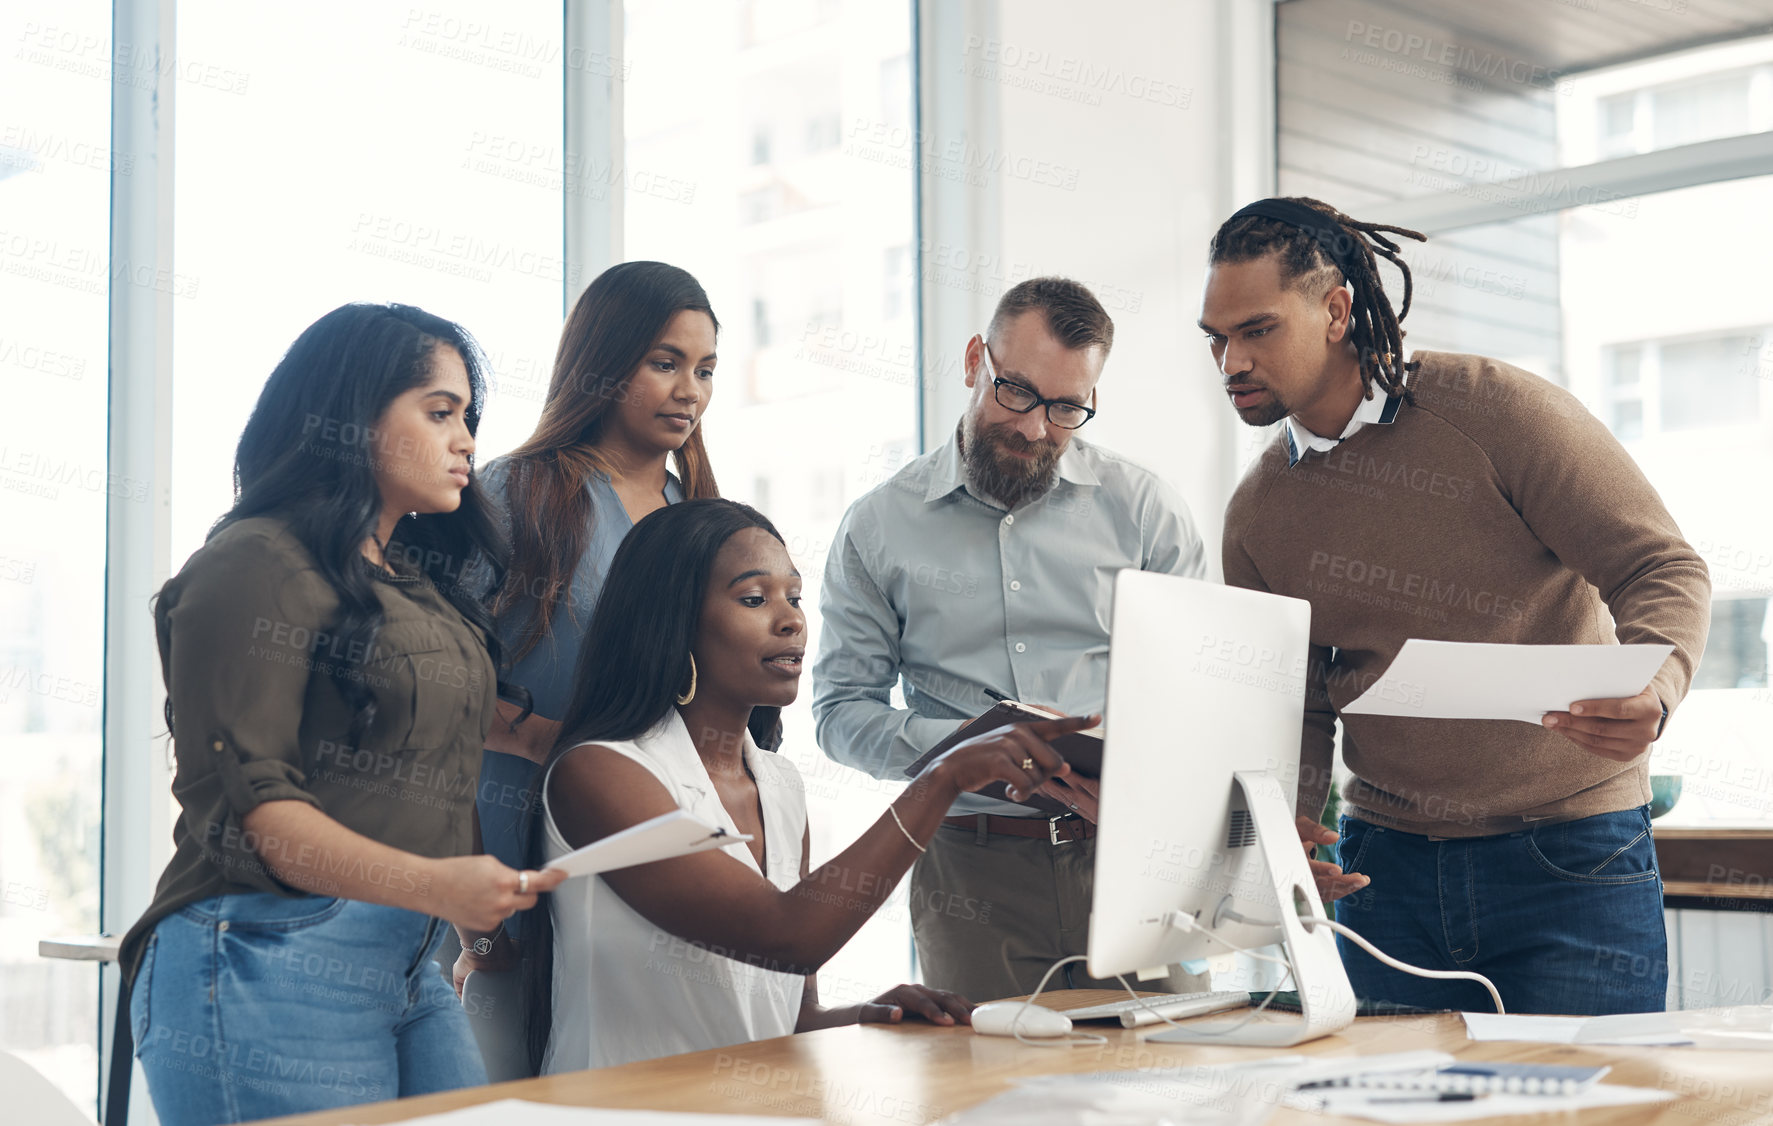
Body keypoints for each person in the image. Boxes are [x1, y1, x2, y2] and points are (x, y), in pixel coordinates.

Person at [1202, 196, 1711, 1014]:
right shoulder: (1256, 513)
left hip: (1570, 855)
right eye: (1216, 338)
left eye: (1255, 330)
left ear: (1335, 312)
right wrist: (1289, 822)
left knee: (1592, 1111)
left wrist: (1656, 687)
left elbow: (1659, 566)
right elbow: (1293, 700)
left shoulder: (1497, 413)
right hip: (1384, 875)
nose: (1230, 360)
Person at [115, 303, 567, 1125]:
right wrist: (441, 886)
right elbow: (264, 821)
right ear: (348, 420)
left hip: (408, 959)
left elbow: (434, 766)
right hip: (262, 949)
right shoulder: (254, 561)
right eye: (438, 413)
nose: (466, 439)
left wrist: (467, 926)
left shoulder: (411, 585)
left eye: (467, 415)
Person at [518, 498, 1093, 1071]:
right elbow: (786, 936)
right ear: (674, 622)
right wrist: (945, 776)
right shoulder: (601, 772)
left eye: (793, 597)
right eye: (753, 598)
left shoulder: (778, 782)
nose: (792, 619)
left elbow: (793, 1016)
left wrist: (867, 1013)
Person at [812, 277, 1207, 1003]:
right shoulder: (877, 526)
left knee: (1171, 1096)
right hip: (971, 876)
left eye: (1066, 409)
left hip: (1139, 867)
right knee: (988, 1101)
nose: (1033, 428)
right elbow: (839, 715)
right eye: (1016, 392)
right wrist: (963, 752)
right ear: (973, 361)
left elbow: (1200, 696)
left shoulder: (1145, 511)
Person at [461, 261, 721, 972]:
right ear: (601, 364)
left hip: (666, 839)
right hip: (521, 851)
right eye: (663, 363)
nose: (687, 391)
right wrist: (568, 752)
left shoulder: (699, 513)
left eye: (704, 370)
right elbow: (433, 690)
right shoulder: (516, 492)